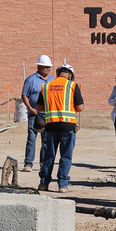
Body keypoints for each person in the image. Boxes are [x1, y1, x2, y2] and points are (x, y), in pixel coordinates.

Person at [36, 63, 84, 192]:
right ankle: (63, 185)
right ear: (70, 75)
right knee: (66, 156)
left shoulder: (46, 86)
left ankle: (44, 184)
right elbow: (80, 108)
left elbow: (39, 108)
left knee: (48, 156)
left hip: (50, 125)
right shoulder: (72, 85)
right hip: (67, 126)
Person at [20, 55, 53, 172]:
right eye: (45, 67)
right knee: (32, 138)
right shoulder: (31, 80)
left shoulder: (52, 81)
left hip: (47, 115)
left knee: (46, 140)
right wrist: (30, 108)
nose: (48, 69)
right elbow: (24, 95)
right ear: (39, 67)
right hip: (34, 114)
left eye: (49, 67)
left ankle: (43, 164)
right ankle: (28, 163)